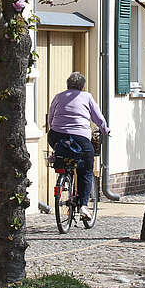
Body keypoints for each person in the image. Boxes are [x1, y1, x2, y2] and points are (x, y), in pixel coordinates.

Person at [47, 72, 109, 223]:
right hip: (80, 138)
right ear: (82, 86)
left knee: (63, 155)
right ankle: (83, 206)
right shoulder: (87, 97)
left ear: (68, 84)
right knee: (86, 171)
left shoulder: (58, 96)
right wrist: (105, 130)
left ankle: (61, 165)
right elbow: (97, 117)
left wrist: (55, 129)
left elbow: (51, 116)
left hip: (57, 135)